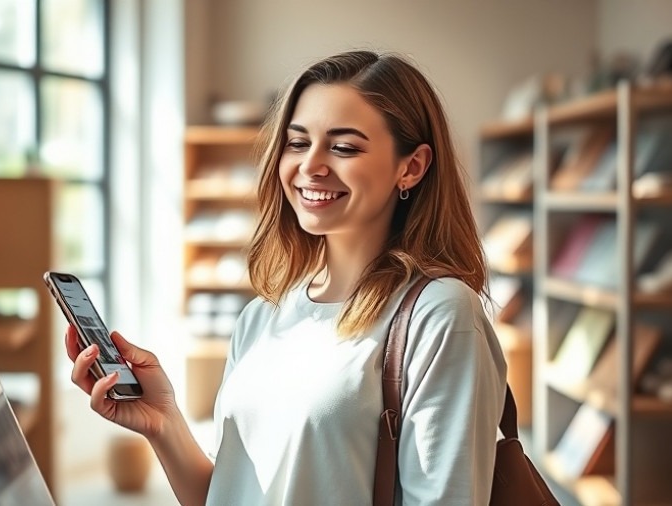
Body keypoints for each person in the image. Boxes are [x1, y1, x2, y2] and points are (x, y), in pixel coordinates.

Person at [66, 49, 507, 505]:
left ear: (411, 166)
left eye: (344, 147)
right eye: (298, 143)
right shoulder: (262, 317)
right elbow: (229, 495)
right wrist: (163, 422)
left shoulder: (440, 314)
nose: (311, 166)